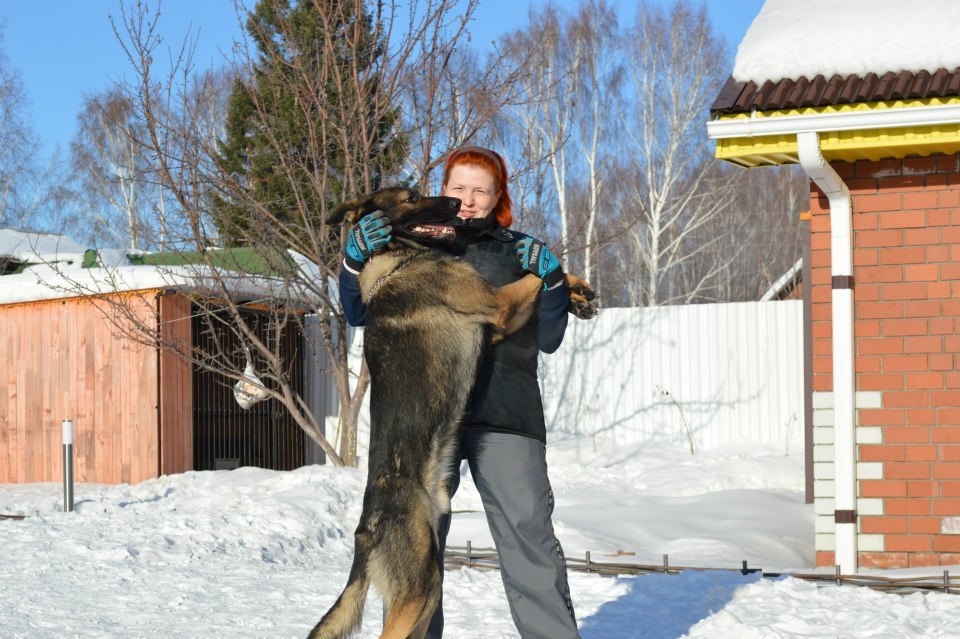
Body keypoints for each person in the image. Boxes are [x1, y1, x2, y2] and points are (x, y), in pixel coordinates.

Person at [337, 146, 581, 639]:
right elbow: (360, 312)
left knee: (529, 543)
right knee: (414, 556)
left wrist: (552, 279)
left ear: (497, 197)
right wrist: (351, 260)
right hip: (428, 421)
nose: (467, 200)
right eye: (458, 188)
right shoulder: (414, 245)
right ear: (442, 190)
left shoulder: (521, 252)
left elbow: (550, 338)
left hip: (504, 417)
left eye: (480, 190)